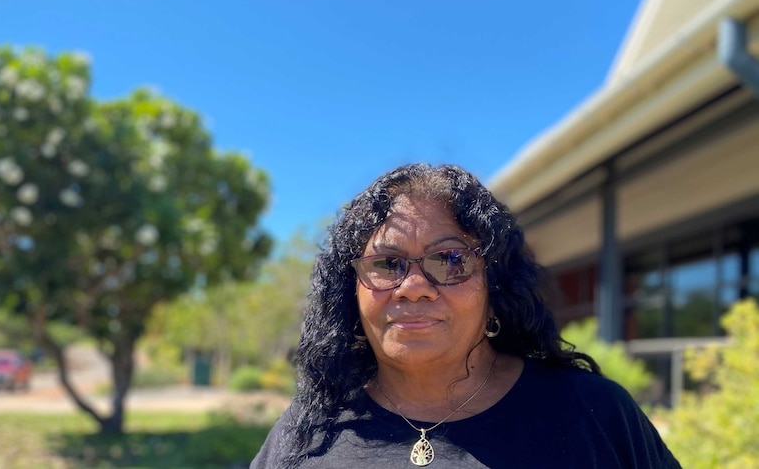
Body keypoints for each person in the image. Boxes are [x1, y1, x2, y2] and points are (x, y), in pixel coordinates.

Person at [250, 163, 681, 469]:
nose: (413, 287)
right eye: (386, 264)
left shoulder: (597, 414)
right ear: (352, 292)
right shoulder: (307, 433)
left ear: (495, 286)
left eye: (450, 259)